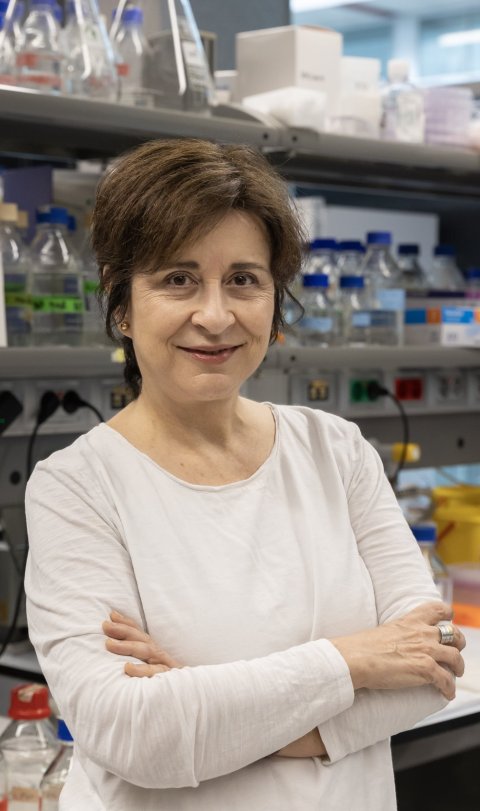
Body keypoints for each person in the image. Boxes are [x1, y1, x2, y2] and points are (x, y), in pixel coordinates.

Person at [24, 138, 465, 811]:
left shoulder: (337, 451)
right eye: (177, 278)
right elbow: (129, 731)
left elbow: (430, 664)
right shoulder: (76, 487)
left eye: (243, 279)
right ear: (121, 303)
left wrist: (200, 697)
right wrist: (352, 660)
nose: (215, 314)